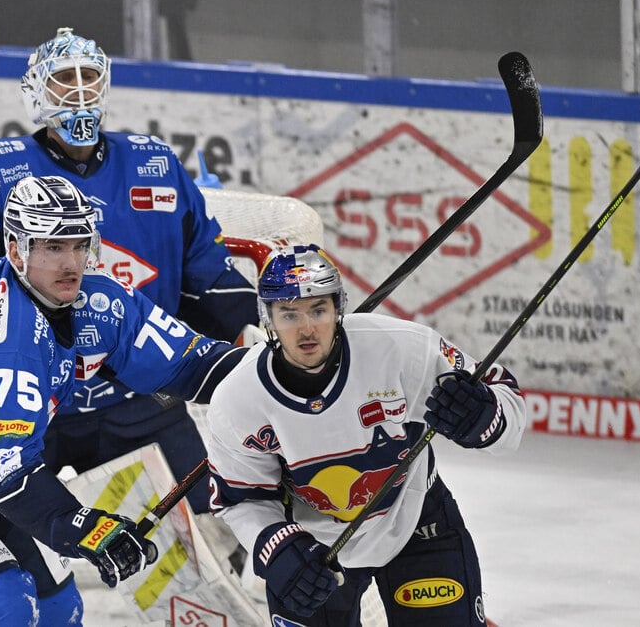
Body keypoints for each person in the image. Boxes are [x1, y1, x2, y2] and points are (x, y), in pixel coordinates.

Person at [0, 176, 245, 626]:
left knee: (58, 607)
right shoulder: (4, 339)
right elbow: (11, 479)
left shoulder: (98, 299)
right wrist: (91, 530)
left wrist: (274, 374)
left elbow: (190, 365)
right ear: (16, 251)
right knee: (5, 604)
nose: (71, 262)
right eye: (53, 247)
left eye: (79, 244)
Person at [0, 27, 258, 515]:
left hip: (142, 398)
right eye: (62, 80)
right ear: (35, 92)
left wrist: (250, 323)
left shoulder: (154, 162)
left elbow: (207, 268)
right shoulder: (0, 168)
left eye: (89, 76)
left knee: (217, 527)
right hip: (34, 401)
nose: (78, 90)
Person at [205, 244, 527, 625]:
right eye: (289, 314)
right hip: (315, 549)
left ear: (338, 309)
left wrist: (484, 417)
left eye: (318, 311)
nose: (307, 329)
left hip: (416, 523)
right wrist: (278, 550)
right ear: (268, 319)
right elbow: (242, 499)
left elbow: (506, 398)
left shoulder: (403, 349)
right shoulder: (238, 400)